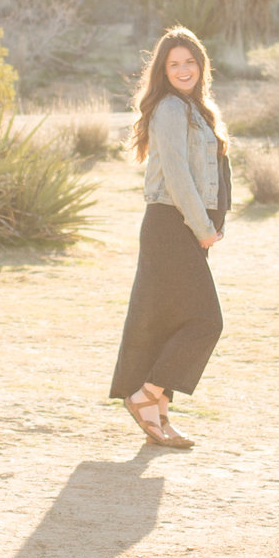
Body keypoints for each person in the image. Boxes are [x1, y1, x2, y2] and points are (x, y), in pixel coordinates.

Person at [110, 26, 230, 449]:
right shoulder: (170, 110)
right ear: (163, 70)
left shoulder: (195, 108)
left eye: (190, 62)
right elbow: (178, 177)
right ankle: (146, 395)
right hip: (171, 226)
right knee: (205, 321)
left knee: (171, 320)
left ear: (201, 65)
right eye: (174, 63)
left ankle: (159, 411)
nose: (183, 69)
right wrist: (203, 228)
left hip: (183, 227)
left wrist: (211, 224)